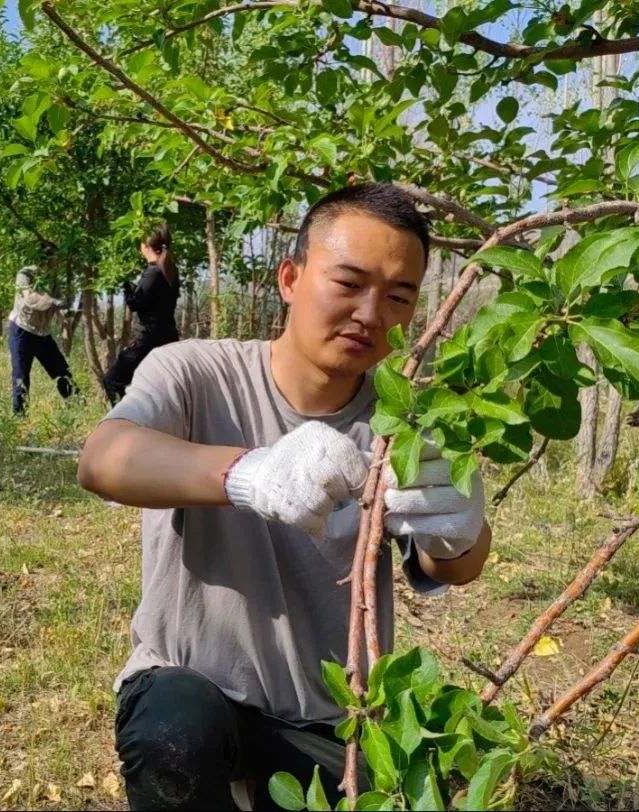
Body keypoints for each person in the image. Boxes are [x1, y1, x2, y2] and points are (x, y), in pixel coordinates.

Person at [77, 184, 492, 810]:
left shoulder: (407, 421)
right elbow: (104, 460)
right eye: (348, 283)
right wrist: (250, 473)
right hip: (192, 685)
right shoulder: (194, 372)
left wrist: (459, 526)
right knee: (174, 735)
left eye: (399, 296)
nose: (371, 313)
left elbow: (456, 566)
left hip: (328, 713)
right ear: (291, 278)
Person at [103, 223, 180, 405]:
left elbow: (137, 304)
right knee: (158, 389)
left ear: (146, 245)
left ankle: (126, 423)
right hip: (168, 337)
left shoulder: (153, 272)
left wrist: (127, 289)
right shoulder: (170, 271)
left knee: (113, 380)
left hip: (147, 339)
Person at [7, 263, 77, 415]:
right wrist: (55, 302)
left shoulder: (54, 280)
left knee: (61, 371)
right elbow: (31, 300)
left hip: (42, 333)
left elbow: (61, 304)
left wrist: (66, 310)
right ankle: (20, 417)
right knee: (21, 375)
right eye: (51, 260)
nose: (54, 265)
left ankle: (78, 405)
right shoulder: (25, 274)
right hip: (22, 330)